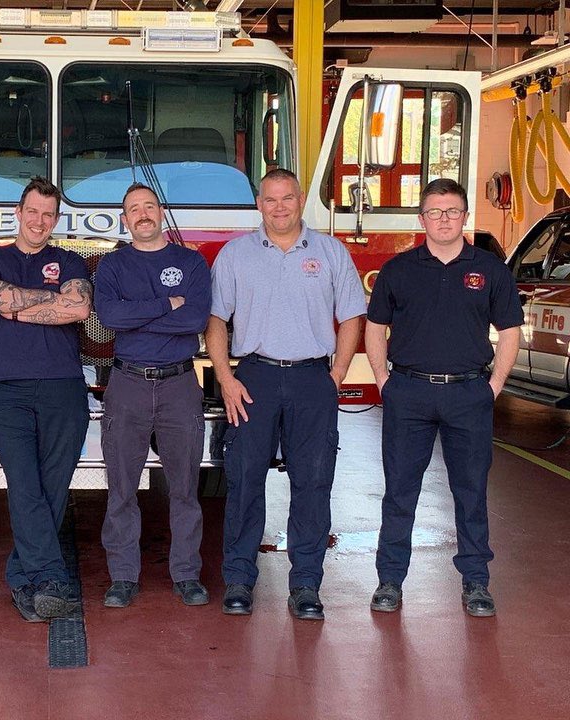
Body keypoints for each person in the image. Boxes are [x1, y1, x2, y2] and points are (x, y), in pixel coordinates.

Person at [206, 168, 366, 620]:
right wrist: (226, 377)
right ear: (259, 204)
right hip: (252, 380)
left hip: (312, 379)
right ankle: (238, 579)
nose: (280, 207)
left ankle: (306, 586)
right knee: (243, 480)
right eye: (271, 199)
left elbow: (353, 315)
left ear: (300, 201)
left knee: (313, 483)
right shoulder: (236, 255)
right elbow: (216, 320)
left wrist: (334, 375)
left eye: (288, 198)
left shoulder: (331, 252)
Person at [365, 178, 522, 618]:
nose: (444, 219)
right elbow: (374, 327)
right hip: (408, 394)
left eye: (452, 211)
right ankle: (389, 580)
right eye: (435, 212)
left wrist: (494, 386)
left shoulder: (490, 270)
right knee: (399, 492)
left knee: (470, 491)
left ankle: (476, 582)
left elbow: (510, 332)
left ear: (465, 216)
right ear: (422, 219)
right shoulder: (398, 269)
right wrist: (384, 380)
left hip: (469, 393)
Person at [0, 177, 93, 623]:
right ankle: (52, 578)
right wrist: (49, 303)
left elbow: (77, 309)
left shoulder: (70, 260)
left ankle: (24, 581)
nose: (39, 221)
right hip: (5, 390)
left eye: (48, 214)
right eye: (32, 211)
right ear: (17, 214)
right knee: (24, 481)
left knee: (51, 486)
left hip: (64, 387)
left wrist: (15, 307)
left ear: (55, 220)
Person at [94, 183, 211, 608]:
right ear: (124, 220)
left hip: (180, 384)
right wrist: (167, 304)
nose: (142, 214)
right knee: (122, 487)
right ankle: (123, 576)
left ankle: (186, 574)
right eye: (133, 210)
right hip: (127, 385)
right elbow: (110, 317)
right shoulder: (112, 266)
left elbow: (195, 318)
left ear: (160, 212)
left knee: (184, 487)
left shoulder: (190, 262)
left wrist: (139, 314)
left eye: (148, 206)